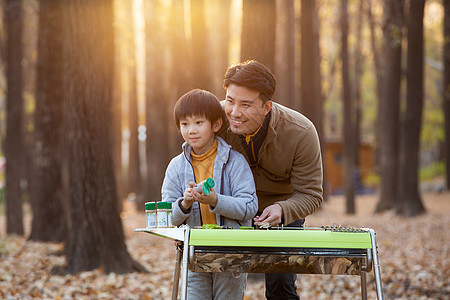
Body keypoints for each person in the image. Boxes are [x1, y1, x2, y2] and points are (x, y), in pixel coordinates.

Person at [220, 60, 323, 300]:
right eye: (230, 101)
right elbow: (192, 167)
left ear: (266, 107)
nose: (234, 112)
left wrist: (283, 209)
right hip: (229, 207)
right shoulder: (215, 120)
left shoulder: (301, 132)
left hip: (281, 211)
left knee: (280, 285)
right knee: (214, 277)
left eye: (245, 105)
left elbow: (311, 195)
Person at [161, 88, 258, 300]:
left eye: (198, 122)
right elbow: (167, 216)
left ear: (216, 125)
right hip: (194, 254)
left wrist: (216, 200)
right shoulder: (176, 167)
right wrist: (184, 204)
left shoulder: (235, 162)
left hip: (231, 254)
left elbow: (249, 206)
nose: (191, 130)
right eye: (185, 124)